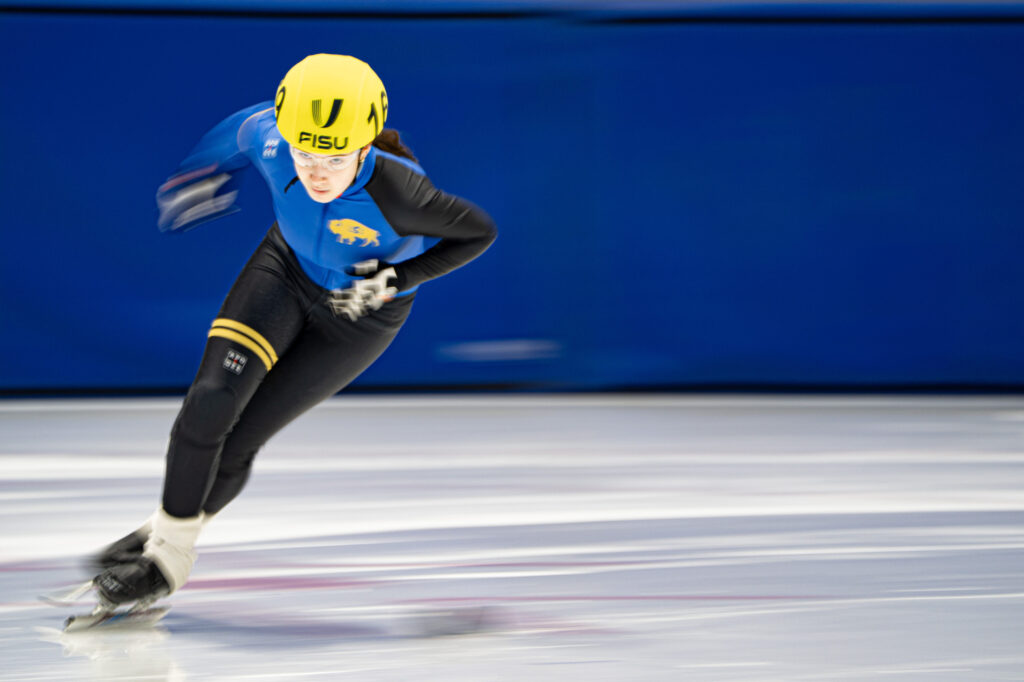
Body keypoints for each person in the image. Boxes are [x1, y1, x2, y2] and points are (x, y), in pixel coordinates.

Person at [89, 54, 497, 607]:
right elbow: (239, 128)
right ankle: (167, 555)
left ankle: (163, 538)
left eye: (334, 157)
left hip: (361, 315)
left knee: (238, 443)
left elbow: (477, 233)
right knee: (210, 402)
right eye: (305, 153)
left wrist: (397, 278)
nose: (316, 171)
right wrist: (203, 172)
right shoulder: (274, 139)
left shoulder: (402, 193)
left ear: (366, 143)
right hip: (284, 271)